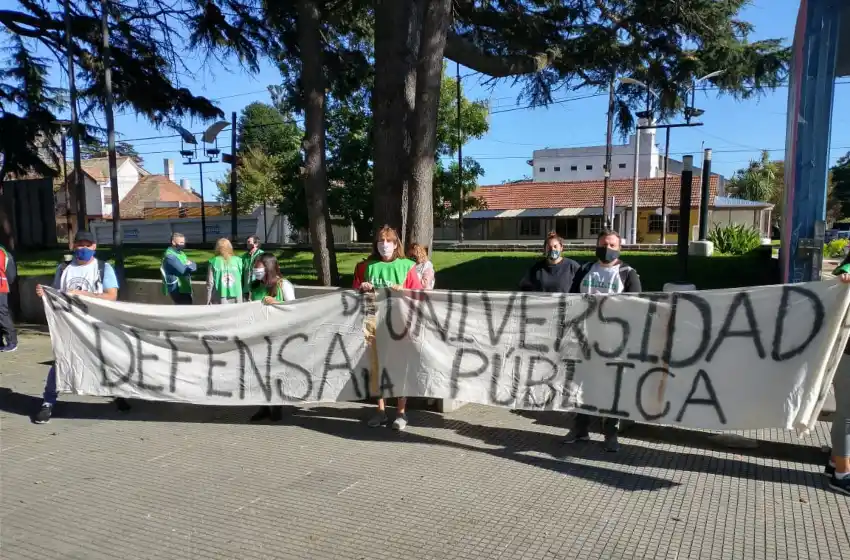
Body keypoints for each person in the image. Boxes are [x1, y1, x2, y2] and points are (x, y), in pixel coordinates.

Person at [33, 231, 128, 424]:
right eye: (79, 244)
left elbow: (111, 296)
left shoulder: (103, 268)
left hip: (96, 326)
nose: (83, 248)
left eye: (87, 244)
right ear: (73, 246)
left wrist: (83, 295)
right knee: (61, 362)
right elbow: (56, 293)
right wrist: (44, 293)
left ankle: (118, 394)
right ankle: (48, 402)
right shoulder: (64, 268)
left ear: (94, 247)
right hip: (69, 325)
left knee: (105, 360)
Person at [564, 229, 642, 452]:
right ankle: (580, 428)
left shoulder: (628, 274)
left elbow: (637, 306)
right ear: (596, 246)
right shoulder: (585, 270)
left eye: (612, 245)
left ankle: (610, 433)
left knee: (611, 388)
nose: (607, 248)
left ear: (619, 248)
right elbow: (571, 299)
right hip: (585, 338)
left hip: (614, 342)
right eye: (603, 244)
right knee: (582, 384)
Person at [353, 225, 423, 430]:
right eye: (381, 241)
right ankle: (380, 410)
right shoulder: (367, 266)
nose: (384, 245)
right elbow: (355, 289)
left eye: (389, 241)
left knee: (400, 367)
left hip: (400, 324)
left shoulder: (407, 266)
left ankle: (401, 412)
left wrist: (404, 290)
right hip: (374, 323)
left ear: (395, 244)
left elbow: (419, 294)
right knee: (377, 367)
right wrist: (362, 287)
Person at [249, 253, 296, 423]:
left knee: (275, 372)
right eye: (255, 267)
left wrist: (276, 303)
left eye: (259, 267)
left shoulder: (283, 285)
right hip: (258, 335)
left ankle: (276, 406)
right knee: (259, 372)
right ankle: (263, 407)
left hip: (278, 336)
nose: (256, 270)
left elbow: (295, 308)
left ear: (269, 267)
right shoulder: (255, 286)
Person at [828, 267, 850, 495]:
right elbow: (843, 274)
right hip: (847, 354)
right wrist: (843, 278)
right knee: (847, 415)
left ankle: (835, 463)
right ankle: (842, 474)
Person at [161, 233, 196, 305]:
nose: (183, 244)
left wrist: (190, 265)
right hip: (177, 288)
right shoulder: (170, 256)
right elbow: (183, 270)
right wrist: (189, 265)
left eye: (184, 242)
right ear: (173, 242)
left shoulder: (181, 253)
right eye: (181, 242)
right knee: (184, 307)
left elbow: (194, 266)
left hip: (184, 286)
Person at [206, 238, 244, 304]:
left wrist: (208, 300)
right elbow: (242, 278)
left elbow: (210, 283)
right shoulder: (238, 260)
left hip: (219, 296)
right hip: (236, 295)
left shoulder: (213, 261)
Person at [0, 242, 18, 352]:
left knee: (2, 314)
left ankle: (12, 341)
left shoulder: (2, 253)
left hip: (1, 288)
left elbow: (11, 275)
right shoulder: (4, 252)